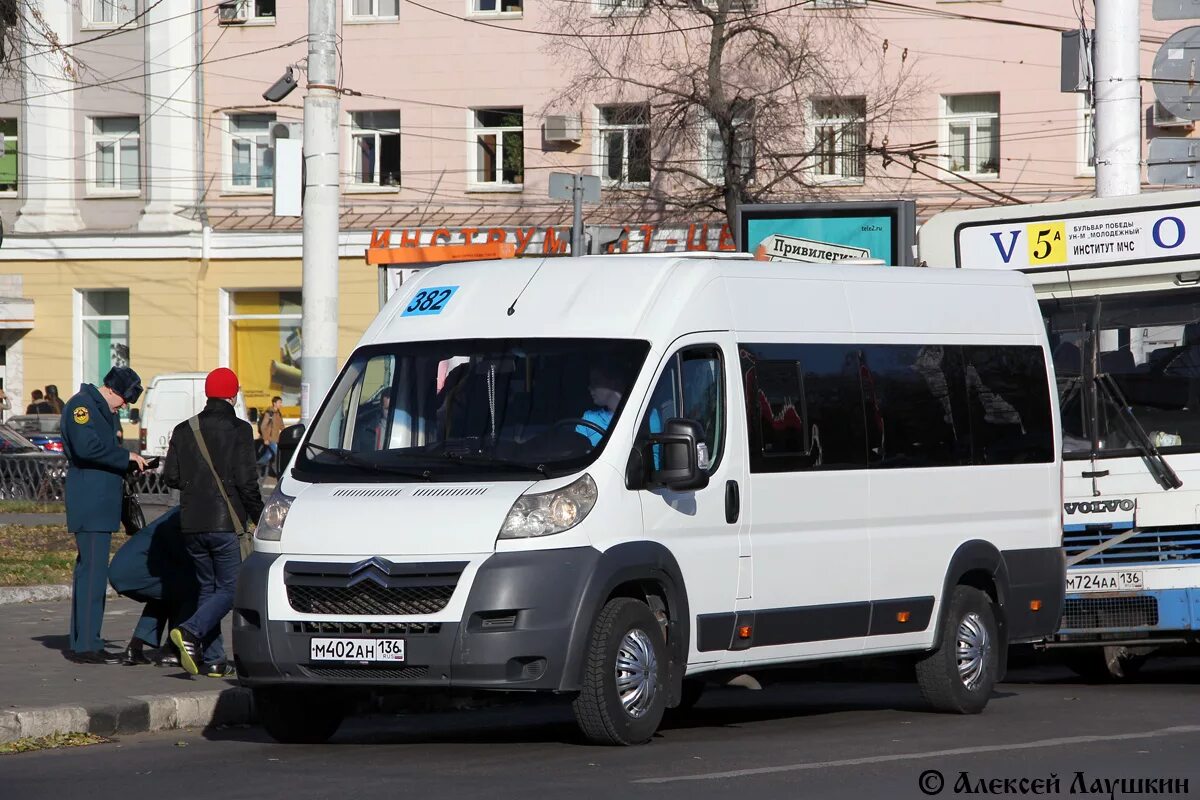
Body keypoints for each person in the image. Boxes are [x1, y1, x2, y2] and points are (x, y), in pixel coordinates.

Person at [166, 367, 264, 677]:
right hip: (226, 522)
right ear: (233, 395)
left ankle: (214, 659)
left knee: (208, 589)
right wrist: (259, 516)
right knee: (232, 588)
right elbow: (248, 481)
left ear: (208, 394)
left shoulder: (184, 429)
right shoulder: (240, 429)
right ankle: (191, 631)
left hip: (192, 522)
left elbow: (172, 476)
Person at [61, 366, 148, 664]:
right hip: (91, 501)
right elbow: (87, 449)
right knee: (93, 575)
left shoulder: (103, 410)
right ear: (111, 389)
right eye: (124, 399)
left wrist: (130, 462)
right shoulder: (82, 406)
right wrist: (126, 457)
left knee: (91, 573)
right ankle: (87, 646)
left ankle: (84, 640)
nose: (124, 406)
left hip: (99, 503)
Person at [257, 396, 283, 468]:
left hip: (276, 438)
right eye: (279, 402)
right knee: (278, 454)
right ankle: (279, 470)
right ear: (274, 403)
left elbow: (281, 426)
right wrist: (265, 439)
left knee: (268, 455)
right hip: (270, 438)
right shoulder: (269, 413)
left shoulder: (278, 413)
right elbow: (263, 426)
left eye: (281, 403)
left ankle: (257, 466)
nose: (281, 404)